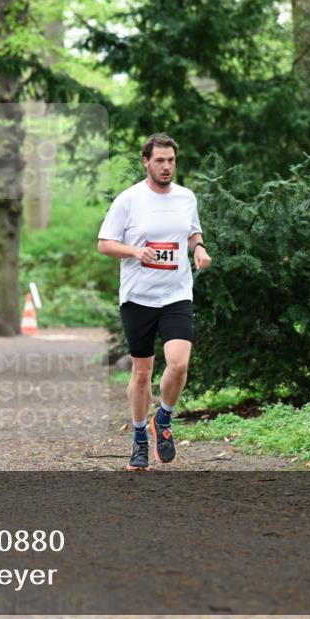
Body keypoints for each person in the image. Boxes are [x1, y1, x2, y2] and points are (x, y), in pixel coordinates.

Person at [97, 133, 212, 471]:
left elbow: (192, 233)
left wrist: (200, 248)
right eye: (159, 160)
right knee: (142, 373)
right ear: (146, 161)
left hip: (176, 293)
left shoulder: (185, 197)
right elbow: (105, 244)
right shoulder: (129, 200)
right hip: (138, 297)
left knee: (178, 363)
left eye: (171, 160)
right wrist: (135, 250)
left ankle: (163, 418)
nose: (166, 166)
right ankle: (138, 439)